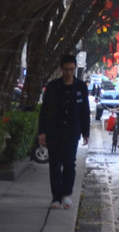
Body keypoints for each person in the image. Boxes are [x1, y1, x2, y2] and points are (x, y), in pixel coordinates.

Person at [36, 53, 90, 210]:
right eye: (66, 69)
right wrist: (42, 131)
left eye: (72, 69)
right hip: (54, 132)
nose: (69, 73)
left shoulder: (80, 87)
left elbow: (85, 111)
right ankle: (56, 197)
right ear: (61, 69)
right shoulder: (53, 87)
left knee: (69, 164)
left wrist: (86, 132)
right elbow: (44, 111)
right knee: (54, 165)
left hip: (72, 132)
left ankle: (66, 194)